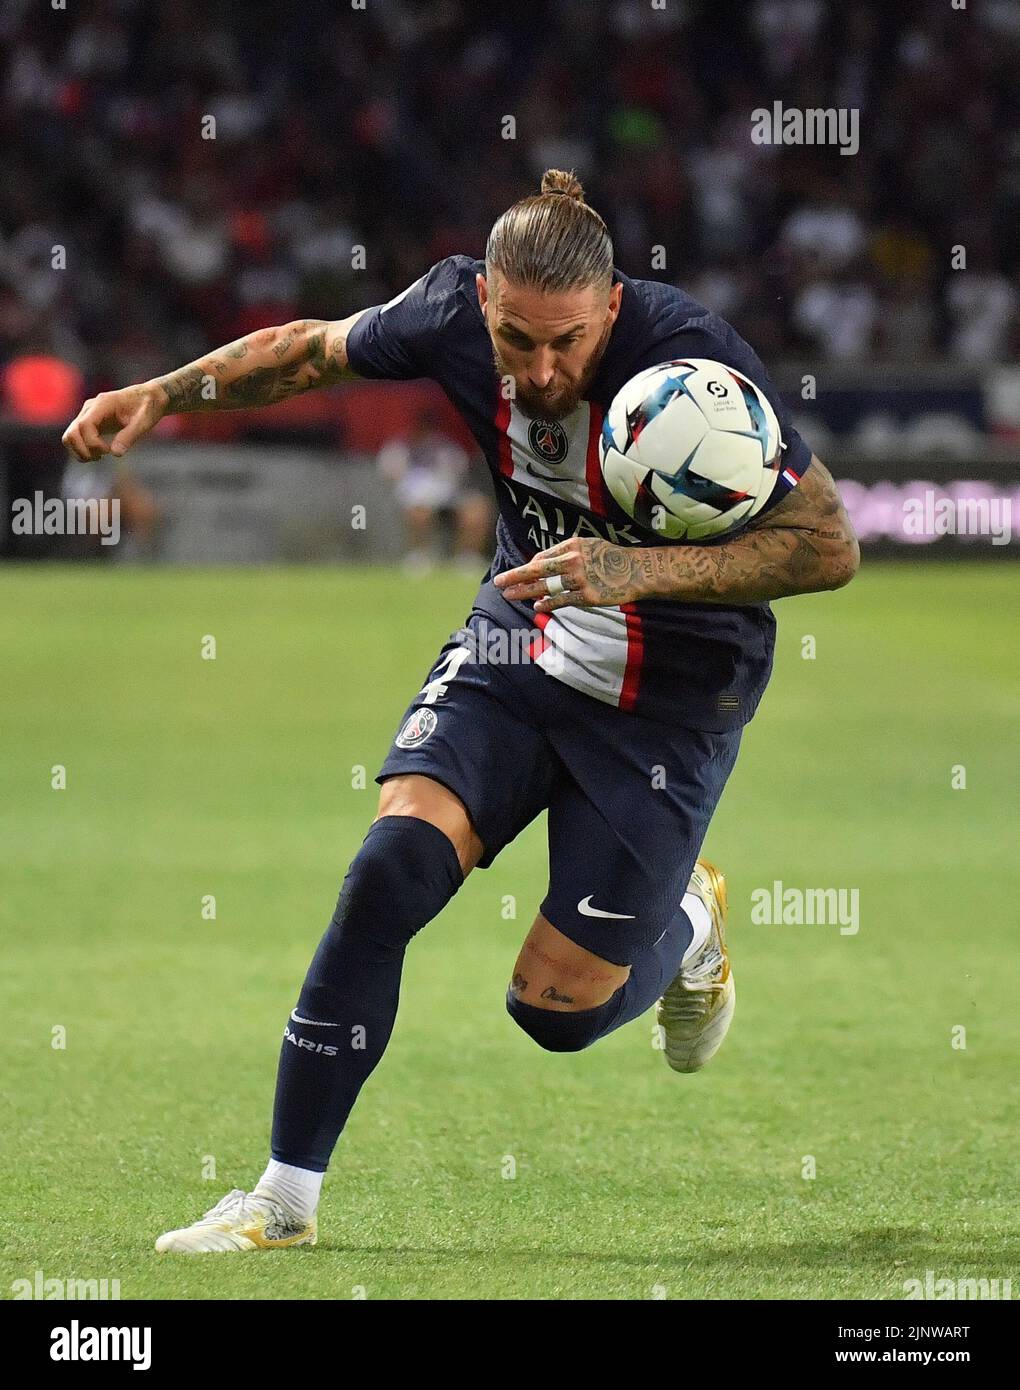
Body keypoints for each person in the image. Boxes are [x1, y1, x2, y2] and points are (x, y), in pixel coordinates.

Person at [62, 170, 859, 1254]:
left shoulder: (699, 368)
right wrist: (163, 390)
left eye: (565, 345)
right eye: (513, 341)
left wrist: (638, 571)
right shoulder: (448, 308)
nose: (538, 371)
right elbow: (306, 349)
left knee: (555, 1013)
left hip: (670, 694)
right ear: (484, 304)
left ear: (613, 308)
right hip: (519, 639)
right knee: (389, 867)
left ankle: (690, 926)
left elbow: (827, 545)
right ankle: (283, 1199)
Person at [376, 407, 491, 572]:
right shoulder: (399, 448)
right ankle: (419, 556)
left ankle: (467, 557)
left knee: (477, 508)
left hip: (445, 493)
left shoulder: (445, 448)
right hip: (413, 494)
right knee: (419, 510)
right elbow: (390, 475)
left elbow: (458, 474)